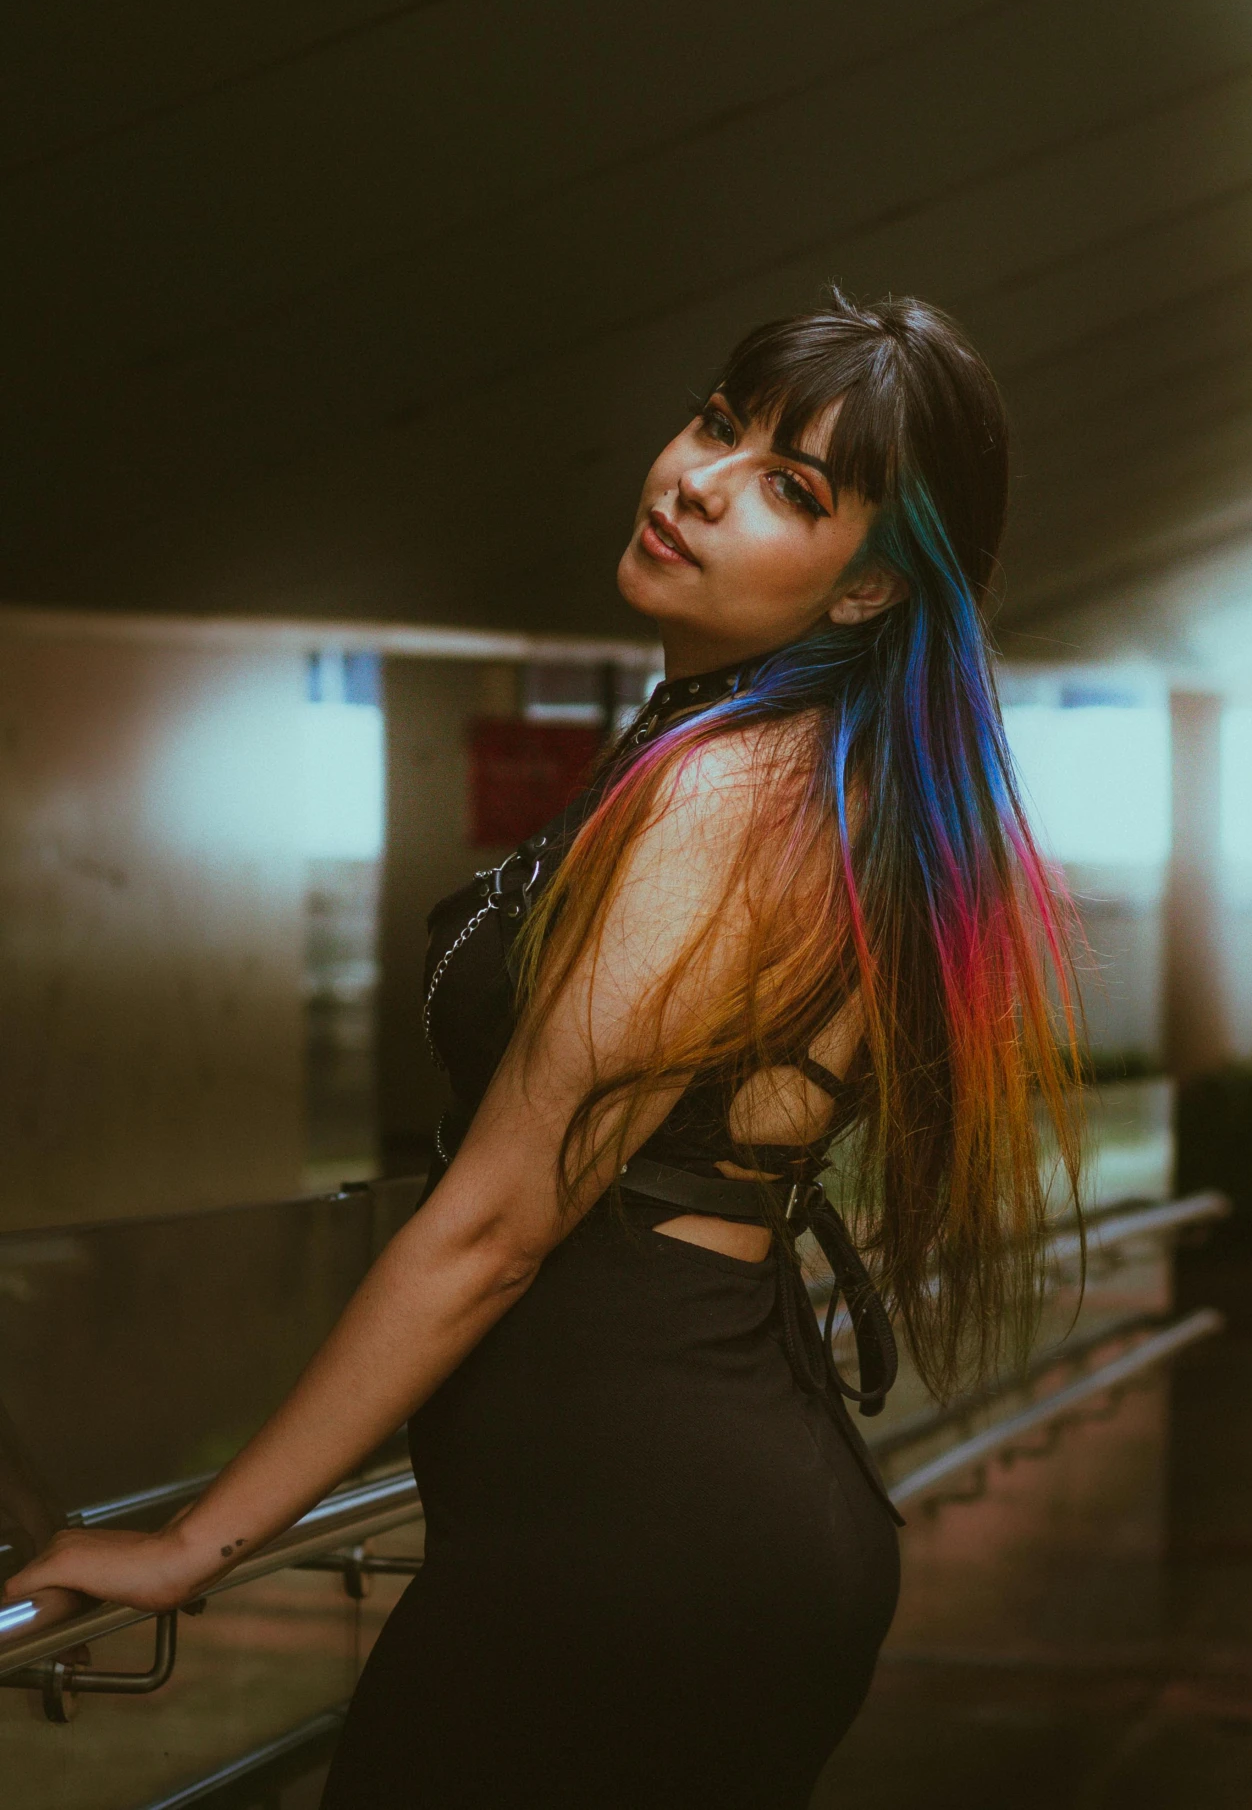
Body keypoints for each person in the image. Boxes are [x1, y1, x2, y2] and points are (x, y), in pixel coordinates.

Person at [6, 292, 1082, 1807]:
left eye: (793, 488)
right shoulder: (758, 760)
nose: (698, 480)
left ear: (863, 593)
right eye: (719, 420)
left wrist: (201, 1538)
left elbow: (499, 1224)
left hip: (637, 1561)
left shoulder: (728, 800)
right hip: (651, 1535)